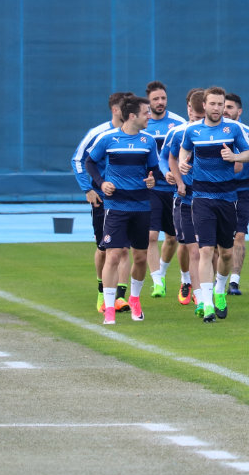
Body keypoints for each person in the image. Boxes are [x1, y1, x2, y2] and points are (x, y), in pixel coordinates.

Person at [177, 87, 249, 322]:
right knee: (205, 250)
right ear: (204, 105)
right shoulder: (193, 130)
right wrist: (182, 164)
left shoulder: (233, 129)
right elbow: (184, 150)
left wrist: (235, 157)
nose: (216, 108)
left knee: (227, 253)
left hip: (227, 198)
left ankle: (220, 290)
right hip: (201, 198)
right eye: (212, 103)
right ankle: (208, 303)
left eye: (220, 104)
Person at [84, 95, 159, 324]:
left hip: (141, 206)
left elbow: (154, 170)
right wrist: (100, 183)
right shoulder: (108, 139)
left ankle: (134, 300)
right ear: (132, 116)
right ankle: (109, 308)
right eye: (146, 112)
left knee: (140, 257)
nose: (149, 116)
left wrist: (152, 180)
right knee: (113, 255)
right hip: (115, 206)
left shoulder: (148, 141)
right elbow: (89, 162)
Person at [71, 91, 135, 314]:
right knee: (104, 248)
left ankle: (120, 297)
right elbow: (78, 159)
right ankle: (102, 291)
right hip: (101, 198)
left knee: (124, 249)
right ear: (116, 110)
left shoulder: (135, 135)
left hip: (127, 199)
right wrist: (88, 189)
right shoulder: (98, 133)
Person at [161, 89, 206, 307]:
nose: (198, 122)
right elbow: (165, 158)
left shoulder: (215, 132)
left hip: (209, 196)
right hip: (184, 197)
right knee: (188, 246)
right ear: (188, 109)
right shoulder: (178, 133)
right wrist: (171, 175)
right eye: (195, 118)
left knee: (209, 248)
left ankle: (209, 288)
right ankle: (186, 281)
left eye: (201, 118)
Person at [143, 81, 186, 299]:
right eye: (155, 99)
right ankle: (157, 281)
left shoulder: (178, 123)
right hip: (151, 189)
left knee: (172, 238)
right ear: (148, 102)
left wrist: (177, 175)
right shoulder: (143, 124)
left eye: (163, 98)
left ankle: (162, 271)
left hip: (174, 190)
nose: (160, 102)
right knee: (151, 236)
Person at [222, 93, 249, 297]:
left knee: (240, 235)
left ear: (239, 111)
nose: (226, 110)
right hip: (219, 191)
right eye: (224, 106)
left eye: (230, 107)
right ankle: (217, 280)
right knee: (218, 240)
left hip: (241, 191)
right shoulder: (215, 133)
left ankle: (234, 281)